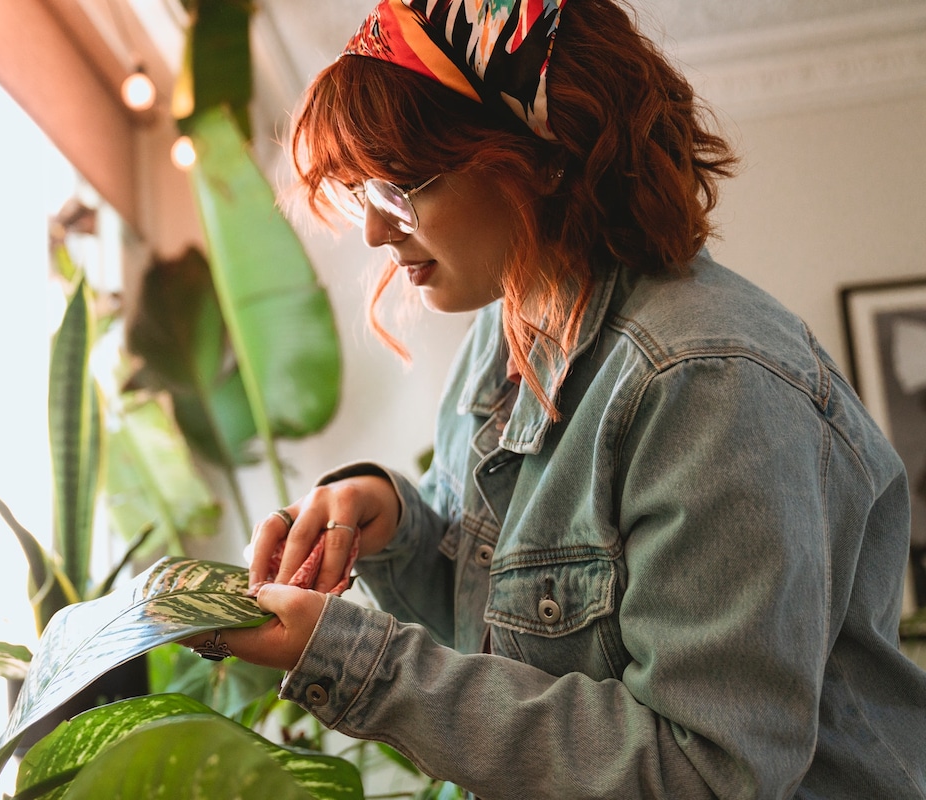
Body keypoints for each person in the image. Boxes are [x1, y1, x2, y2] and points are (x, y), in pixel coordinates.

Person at [202, 0, 926, 796]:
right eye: (361, 192)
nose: (374, 232)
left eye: (398, 188)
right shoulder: (509, 336)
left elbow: (704, 775)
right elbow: (502, 629)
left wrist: (350, 659)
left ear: (539, 157)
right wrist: (391, 521)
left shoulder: (709, 381)